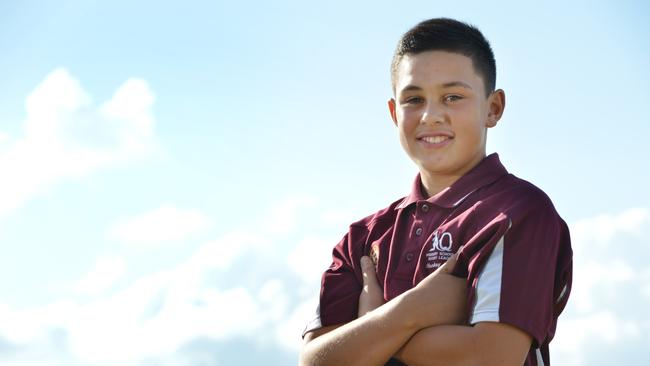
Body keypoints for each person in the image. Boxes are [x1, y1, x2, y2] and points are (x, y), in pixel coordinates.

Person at [299, 17, 572, 366]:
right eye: (414, 99)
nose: (430, 115)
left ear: (493, 107)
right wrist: (406, 312)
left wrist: (371, 328)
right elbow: (314, 361)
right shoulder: (362, 239)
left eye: (453, 96)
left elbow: (491, 357)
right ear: (394, 113)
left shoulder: (518, 212)